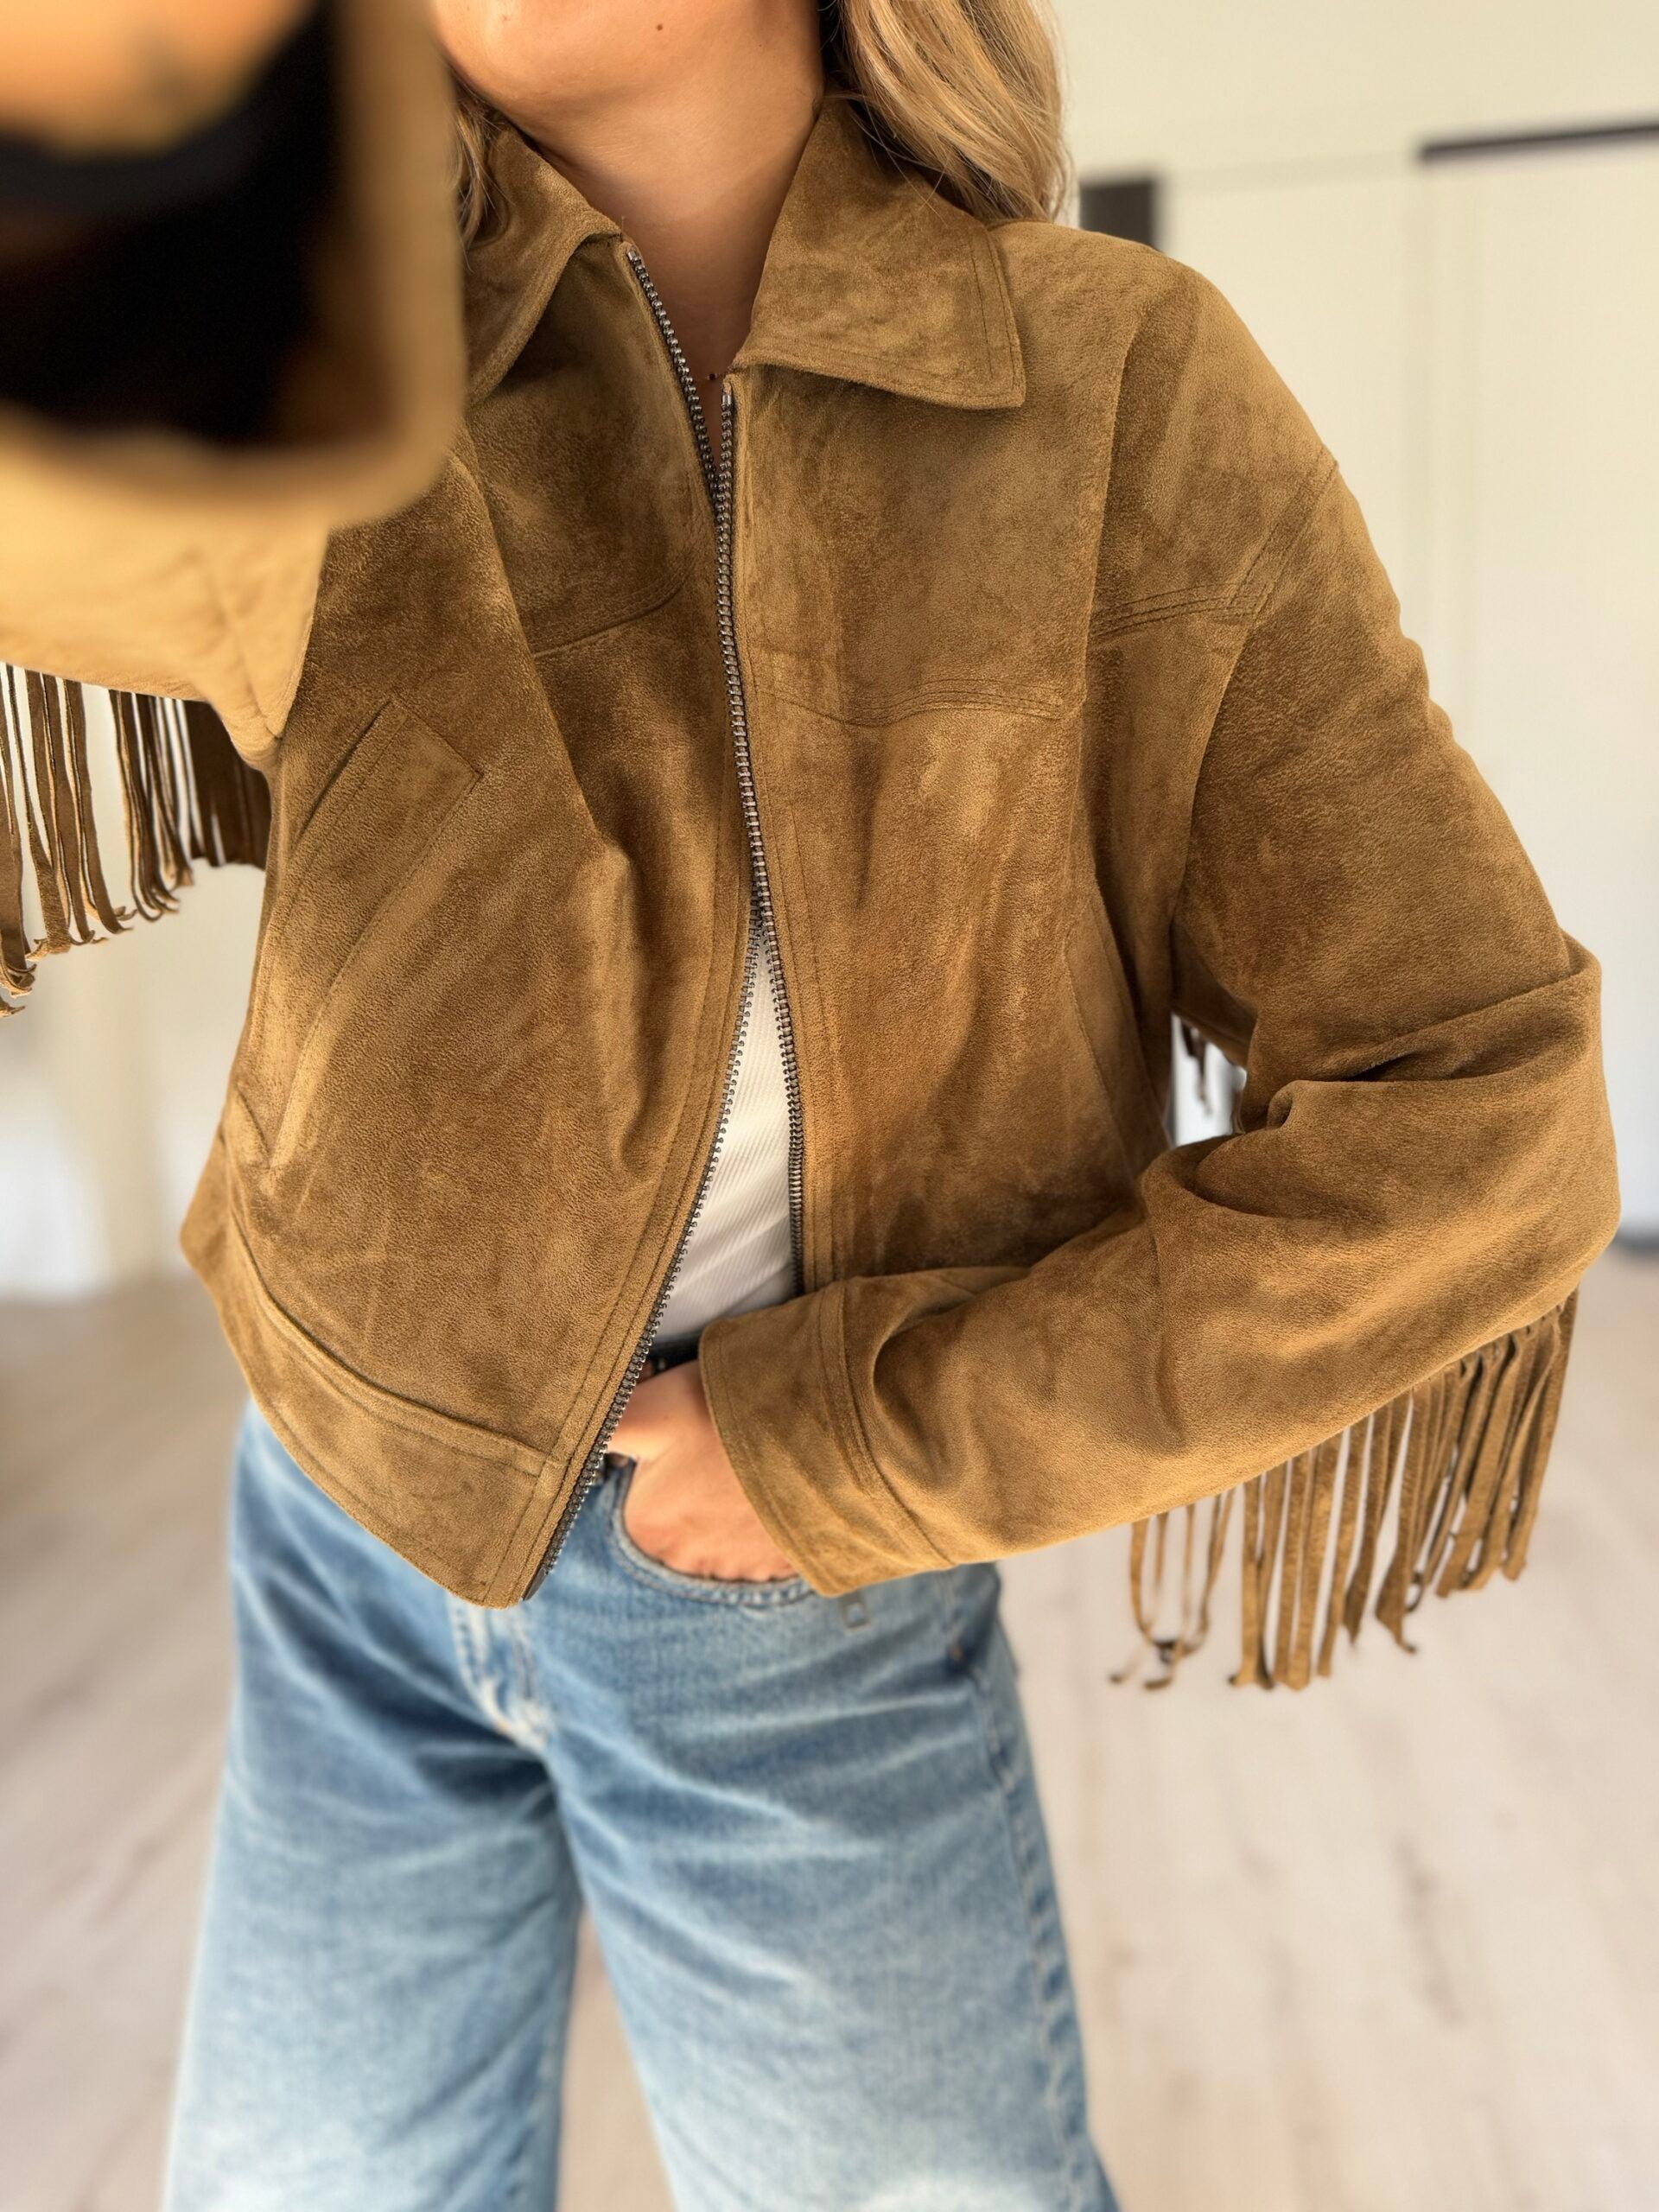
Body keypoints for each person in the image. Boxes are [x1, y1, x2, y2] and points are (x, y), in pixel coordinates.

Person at [0, 2, 1618, 2207]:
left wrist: (867, 1441)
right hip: (343, 1504)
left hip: (770, 1577)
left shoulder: (1117, 386)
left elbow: (1482, 1107)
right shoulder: (329, 362)